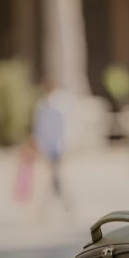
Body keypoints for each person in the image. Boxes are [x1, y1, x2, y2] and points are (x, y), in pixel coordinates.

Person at [30, 78, 72, 211]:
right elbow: (39, 129)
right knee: (52, 178)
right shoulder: (43, 107)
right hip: (48, 147)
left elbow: (61, 129)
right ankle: (58, 205)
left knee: (54, 177)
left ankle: (51, 206)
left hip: (55, 148)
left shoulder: (57, 107)